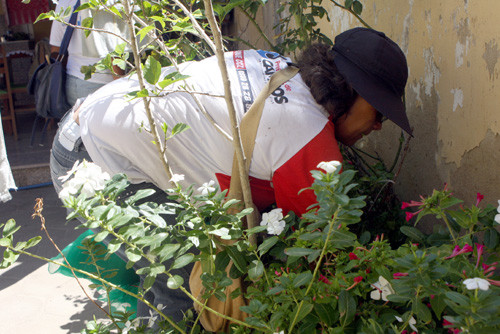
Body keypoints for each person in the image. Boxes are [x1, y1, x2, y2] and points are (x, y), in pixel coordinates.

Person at [50, 27, 412, 322]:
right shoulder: (307, 137)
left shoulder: (278, 68)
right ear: (354, 90)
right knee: (190, 286)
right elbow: (324, 248)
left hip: (82, 130)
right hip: (93, 165)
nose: (378, 126)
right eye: (379, 111)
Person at [49, 0, 129, 106]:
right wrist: (121, 87)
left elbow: (55, 49)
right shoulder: (108, 3)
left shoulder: (64, 3)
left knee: (79, 122)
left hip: (73, 80)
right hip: (106, 82)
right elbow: (114, 49)